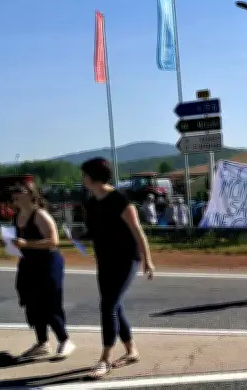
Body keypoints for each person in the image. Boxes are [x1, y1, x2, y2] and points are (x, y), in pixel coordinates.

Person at [80, 157, 156, 379]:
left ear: (93, 177)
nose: (82, 178)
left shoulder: (120, 200)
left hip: (126, 260)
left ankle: (104, 359)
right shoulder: (91, 201)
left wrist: (147, 260)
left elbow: (137, 231)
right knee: (115, 304)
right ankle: (132, 350)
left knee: (108, 305)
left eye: (84, 174)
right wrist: (79, 237)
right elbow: (94, 230)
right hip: (104, 260)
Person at [3, 182, 75, 360]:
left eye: (18, 191)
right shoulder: (18, 215)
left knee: (50, 303)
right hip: (28, 264)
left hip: (48, 263)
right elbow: (19, 240)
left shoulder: (40, 215)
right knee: (31, 302)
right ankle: (42, 343)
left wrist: (27, 244)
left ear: (31, 193)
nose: (14, 194)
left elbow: (54, 241)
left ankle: (65, 341)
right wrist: (7, 243)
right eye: (13, 192)